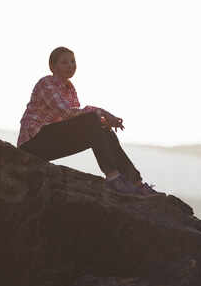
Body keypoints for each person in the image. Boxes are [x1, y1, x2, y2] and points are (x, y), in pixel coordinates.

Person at [17, 47, 162, 197]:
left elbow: (78, 119)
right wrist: (103, 113)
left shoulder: (70, 89)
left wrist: (104, 120)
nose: (70, 65)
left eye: (73, 61)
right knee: (93, 120)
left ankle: (135, 182)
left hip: (50, 141)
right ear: (52, 67)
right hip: (33, 143)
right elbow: (68, 113)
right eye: (64, 62)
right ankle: (113, 177)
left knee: (102, 127)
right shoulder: (46, 83)